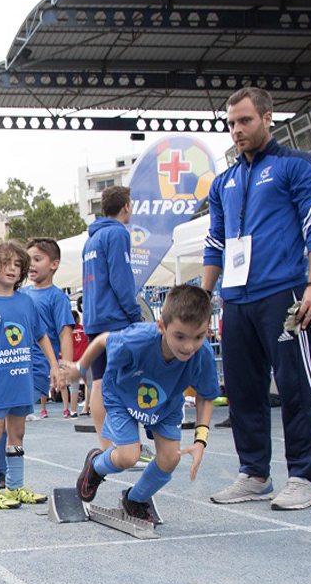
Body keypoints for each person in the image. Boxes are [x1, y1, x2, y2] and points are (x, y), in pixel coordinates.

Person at [202, 86, 311, 511]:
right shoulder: (223, 182)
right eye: (231, 123)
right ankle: (254, 473)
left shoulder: (296, 165)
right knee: (242, 390)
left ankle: (303, 477)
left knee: (295, 386)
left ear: (267, 117)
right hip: (236, 299)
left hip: (285, 293)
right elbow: (215, 243)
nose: (237, 130)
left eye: (245, 120)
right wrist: (203, 300)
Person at [69, 285, 220, 521]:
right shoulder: (138, 338)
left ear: (206, 331)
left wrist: (201, 440)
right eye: (180, 336)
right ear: (162, 327)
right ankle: (96, 465)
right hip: (121, 396)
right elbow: (102, 341)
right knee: (128, 457)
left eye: (198, 337)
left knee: (170, 459)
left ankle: (135, 499)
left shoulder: (203, 356)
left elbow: (206, 396)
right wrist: (80, 367)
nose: (189, 346)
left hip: (166, 403)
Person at [0, 240, 59, 509]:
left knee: (18, 432)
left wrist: (54, 365)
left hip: (22, 381)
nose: (12, 269)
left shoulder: (27, 302)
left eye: (18, 264)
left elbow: (41, 336)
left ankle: (15, 487)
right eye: (6, 263)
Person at [82, 186, 144, 444]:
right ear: (126, 206)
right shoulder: (117, 234)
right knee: (125, 382)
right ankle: (128, 444)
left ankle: (106, 447)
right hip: (116, 319)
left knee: (99, 382)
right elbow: (121, 279)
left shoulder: (91, 239)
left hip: (94, 319)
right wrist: (135, 315)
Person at [22, 238, 76, 418]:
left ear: (54, 264)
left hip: (38, 368)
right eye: (28, 260)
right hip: (16, 363)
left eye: (37, 259)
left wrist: (64, 369)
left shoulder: (58, 297)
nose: (31, 264)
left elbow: (65, 335)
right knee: (7, 420)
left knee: (11, 416)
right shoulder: (20, 293)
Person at [70, 308, 91, 416]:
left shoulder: (68, 332)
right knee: (90, 385)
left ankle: (73, 411)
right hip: (85, 359)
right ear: (78, 318)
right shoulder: (84, 329)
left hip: (74, 361)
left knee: (74, 387)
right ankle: (87, 408)